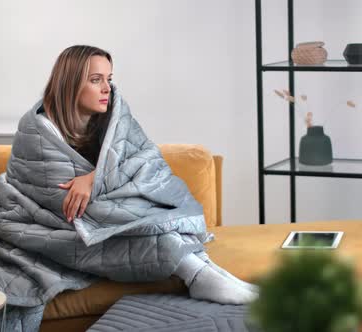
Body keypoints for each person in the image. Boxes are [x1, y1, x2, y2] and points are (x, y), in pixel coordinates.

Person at [35, 45, 257, 304]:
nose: (107, 88)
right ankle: (200, 278)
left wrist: (94, 178)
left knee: (155, 217)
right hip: (65, 226)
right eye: (96, 80)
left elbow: (145, 159)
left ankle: (212, 274)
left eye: (109, 78)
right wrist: (103, 187)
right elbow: (59, 199)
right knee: (152, 231)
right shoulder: (39, 131)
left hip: (106, 212)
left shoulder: (111, 117)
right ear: (70, 84)